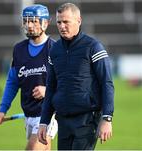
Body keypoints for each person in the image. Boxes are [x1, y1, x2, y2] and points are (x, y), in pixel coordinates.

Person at [38, 3, 114, 150]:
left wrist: (107, 118)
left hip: (86, 120)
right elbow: (51, 87)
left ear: (78, 21)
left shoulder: (93, 47)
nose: (61, 26)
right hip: (63, 120)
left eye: (66, 22)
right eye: (59, 22)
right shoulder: (54, 50)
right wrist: (44, 122)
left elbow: (107, 83)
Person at [0, 4, 57, 150]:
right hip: (29, 114)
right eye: (26, 21)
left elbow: (67, 83)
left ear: (45, 23)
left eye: (34, 21)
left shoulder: (55, 49)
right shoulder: (18, 49)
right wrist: (2, 110)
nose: (29, 25)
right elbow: (12, 81)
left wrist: (47, 91)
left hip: (49, 113)